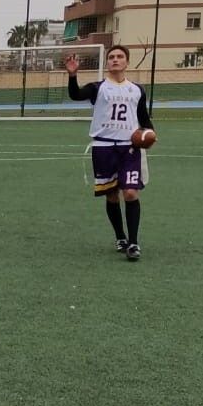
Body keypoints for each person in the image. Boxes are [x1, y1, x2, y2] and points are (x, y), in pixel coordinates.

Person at [66, 44, 153, 261]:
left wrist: (150, 132)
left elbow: (143, 116)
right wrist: (72, 75)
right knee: (112, 195)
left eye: (120, 56)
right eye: (112, 57)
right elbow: (76, 95)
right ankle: (120, 236)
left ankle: (133, 242)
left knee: (131, 192)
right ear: (107, 62)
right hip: (103, 147)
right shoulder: (98, 88)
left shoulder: (137, 90)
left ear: (126, 62)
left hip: (129, 148)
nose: (115, 59)